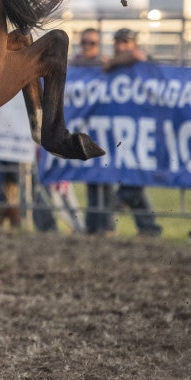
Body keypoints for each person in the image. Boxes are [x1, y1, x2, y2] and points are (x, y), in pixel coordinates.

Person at [104, 28, 163, 237]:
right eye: (117, 41)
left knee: (134, 177)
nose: (120, 46)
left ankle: (120, 202)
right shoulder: (113, 66)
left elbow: (138, 56)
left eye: (125, 42)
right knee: (133, 175)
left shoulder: (139, 61)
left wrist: (113, 62)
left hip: (145, 127)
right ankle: (149, 227)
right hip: (121, 128)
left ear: (134, 44)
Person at [69, 28, 115, 235]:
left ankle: (105, 225)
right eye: (85, 42)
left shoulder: (105, 65)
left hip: (103, 128)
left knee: (104, 179)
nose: (87, 47)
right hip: (86, 128)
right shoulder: (73, 65)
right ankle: (94, 224)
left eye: (92, 43)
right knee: (91, 179)